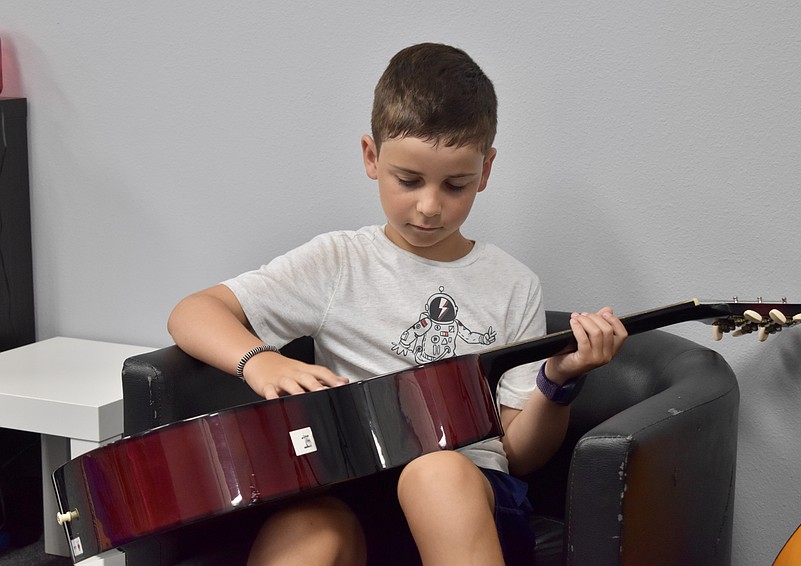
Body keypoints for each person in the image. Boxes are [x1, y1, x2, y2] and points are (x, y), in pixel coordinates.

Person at [168, 42, 627, 566]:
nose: (430, 207)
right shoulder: (339, 261)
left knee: (433, 472)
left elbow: (520, 454)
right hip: (356, 492)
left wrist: (558, 380)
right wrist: (260, 361)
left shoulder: (513, 284)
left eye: (455, 185)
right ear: (371, 157)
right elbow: (192, 312)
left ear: (486, 170)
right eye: (408, 181)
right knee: (306, 528)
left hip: (466, 499)